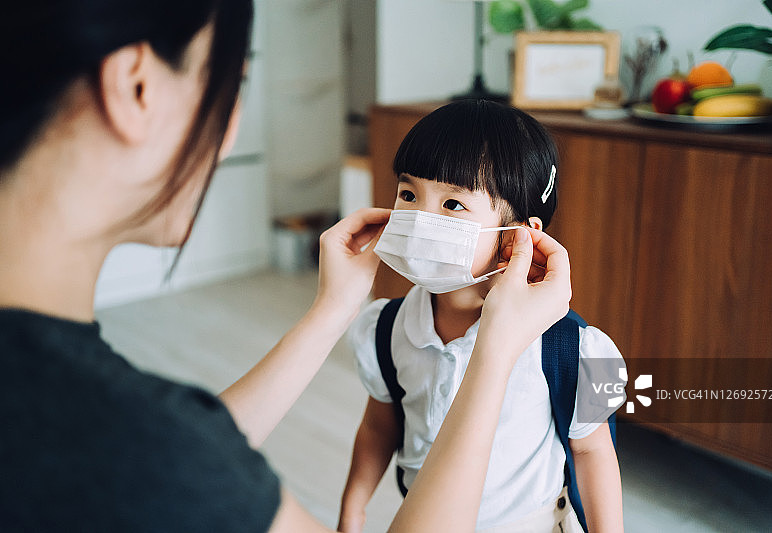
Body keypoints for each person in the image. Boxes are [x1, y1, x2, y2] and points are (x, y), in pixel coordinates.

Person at [0, 2, 573, 532]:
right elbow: (169, 457)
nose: (228, 133)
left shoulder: (102, 425)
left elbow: (171, 453)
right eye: (233, 87)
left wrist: (330, 309)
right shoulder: (138, 437)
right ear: (138, 87)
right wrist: (496, 349)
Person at [338, 101, 625, 533]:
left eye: (453, 204)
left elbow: (591, 453)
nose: (418, 220)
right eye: (409, 194)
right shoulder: (386, 328)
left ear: (519, 236)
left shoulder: (571, 347)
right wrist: (353, 508)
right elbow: (380, 427)